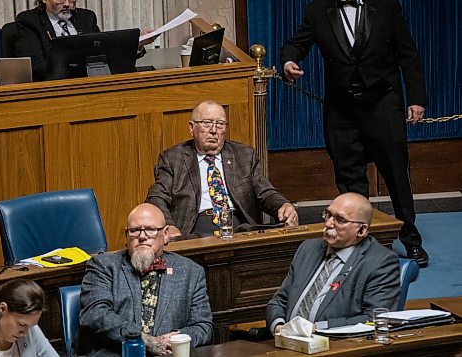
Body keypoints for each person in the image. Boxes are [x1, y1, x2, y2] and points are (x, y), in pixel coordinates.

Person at [280, 0, 429, 267]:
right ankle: (358, 243)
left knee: (396, 174)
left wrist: (416, 98)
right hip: (341, 108)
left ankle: (411, 238)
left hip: (383, 101)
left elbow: (407, 53)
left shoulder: (386, 5)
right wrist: (289, 60)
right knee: (349, 177)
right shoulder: (318, 9)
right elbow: (297, 43)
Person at [146, 100, 298, 237]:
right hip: (194, 230)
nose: (213, 130)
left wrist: (282, 204)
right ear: (192, 128)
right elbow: (156, 197)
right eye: (206, 123)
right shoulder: (173, 159)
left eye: (220, 124)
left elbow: (265, 192)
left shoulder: (244, 155)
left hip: (240, 229)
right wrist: (168, 225)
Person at [77, 203, 213, 356]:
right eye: (134, 231)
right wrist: (143, 339)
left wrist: (178, 339)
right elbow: (95, 315)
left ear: (166, 234)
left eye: (150, 230)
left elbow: (203, 326)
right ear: (126, 236)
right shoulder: (103, 266)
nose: (142, 236)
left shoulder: (191, 272)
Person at [266, 193, 400, 333]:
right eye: (328, 215)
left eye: (340, 220)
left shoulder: (380, 262)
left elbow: (375, 318)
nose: (329, 223)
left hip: (334, 346)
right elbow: (279, 301)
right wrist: (278, 327)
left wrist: (317, 328)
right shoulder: (308, 248)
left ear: (361, 230)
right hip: (285, 342)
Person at [15, 0, 156, 81]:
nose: (67, 4)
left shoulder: (86, 17)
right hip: (55, 89)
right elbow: (35, 65)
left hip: (93, 85)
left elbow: (106, 55)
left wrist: (136, 43)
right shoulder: (29, 21)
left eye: (71, 0)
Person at [0, 279, 58, 356]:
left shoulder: (31, 331)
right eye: (21, 324)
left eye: (31, 326)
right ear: (2, 309)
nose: (24, 333)